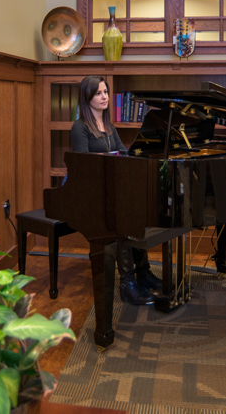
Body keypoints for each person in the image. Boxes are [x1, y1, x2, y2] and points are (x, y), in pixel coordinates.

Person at [70, 75, 163, 305]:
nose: (104, 97)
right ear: (87, 97)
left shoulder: (109, 126)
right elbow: (83, 166)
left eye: (105, 92)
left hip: (111, 191)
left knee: (136, 210)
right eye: (98, 93)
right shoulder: (80, 127)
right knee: (120, 217)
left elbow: (123, 154)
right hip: (89, 194)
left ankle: (144, 273)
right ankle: (127, 282)